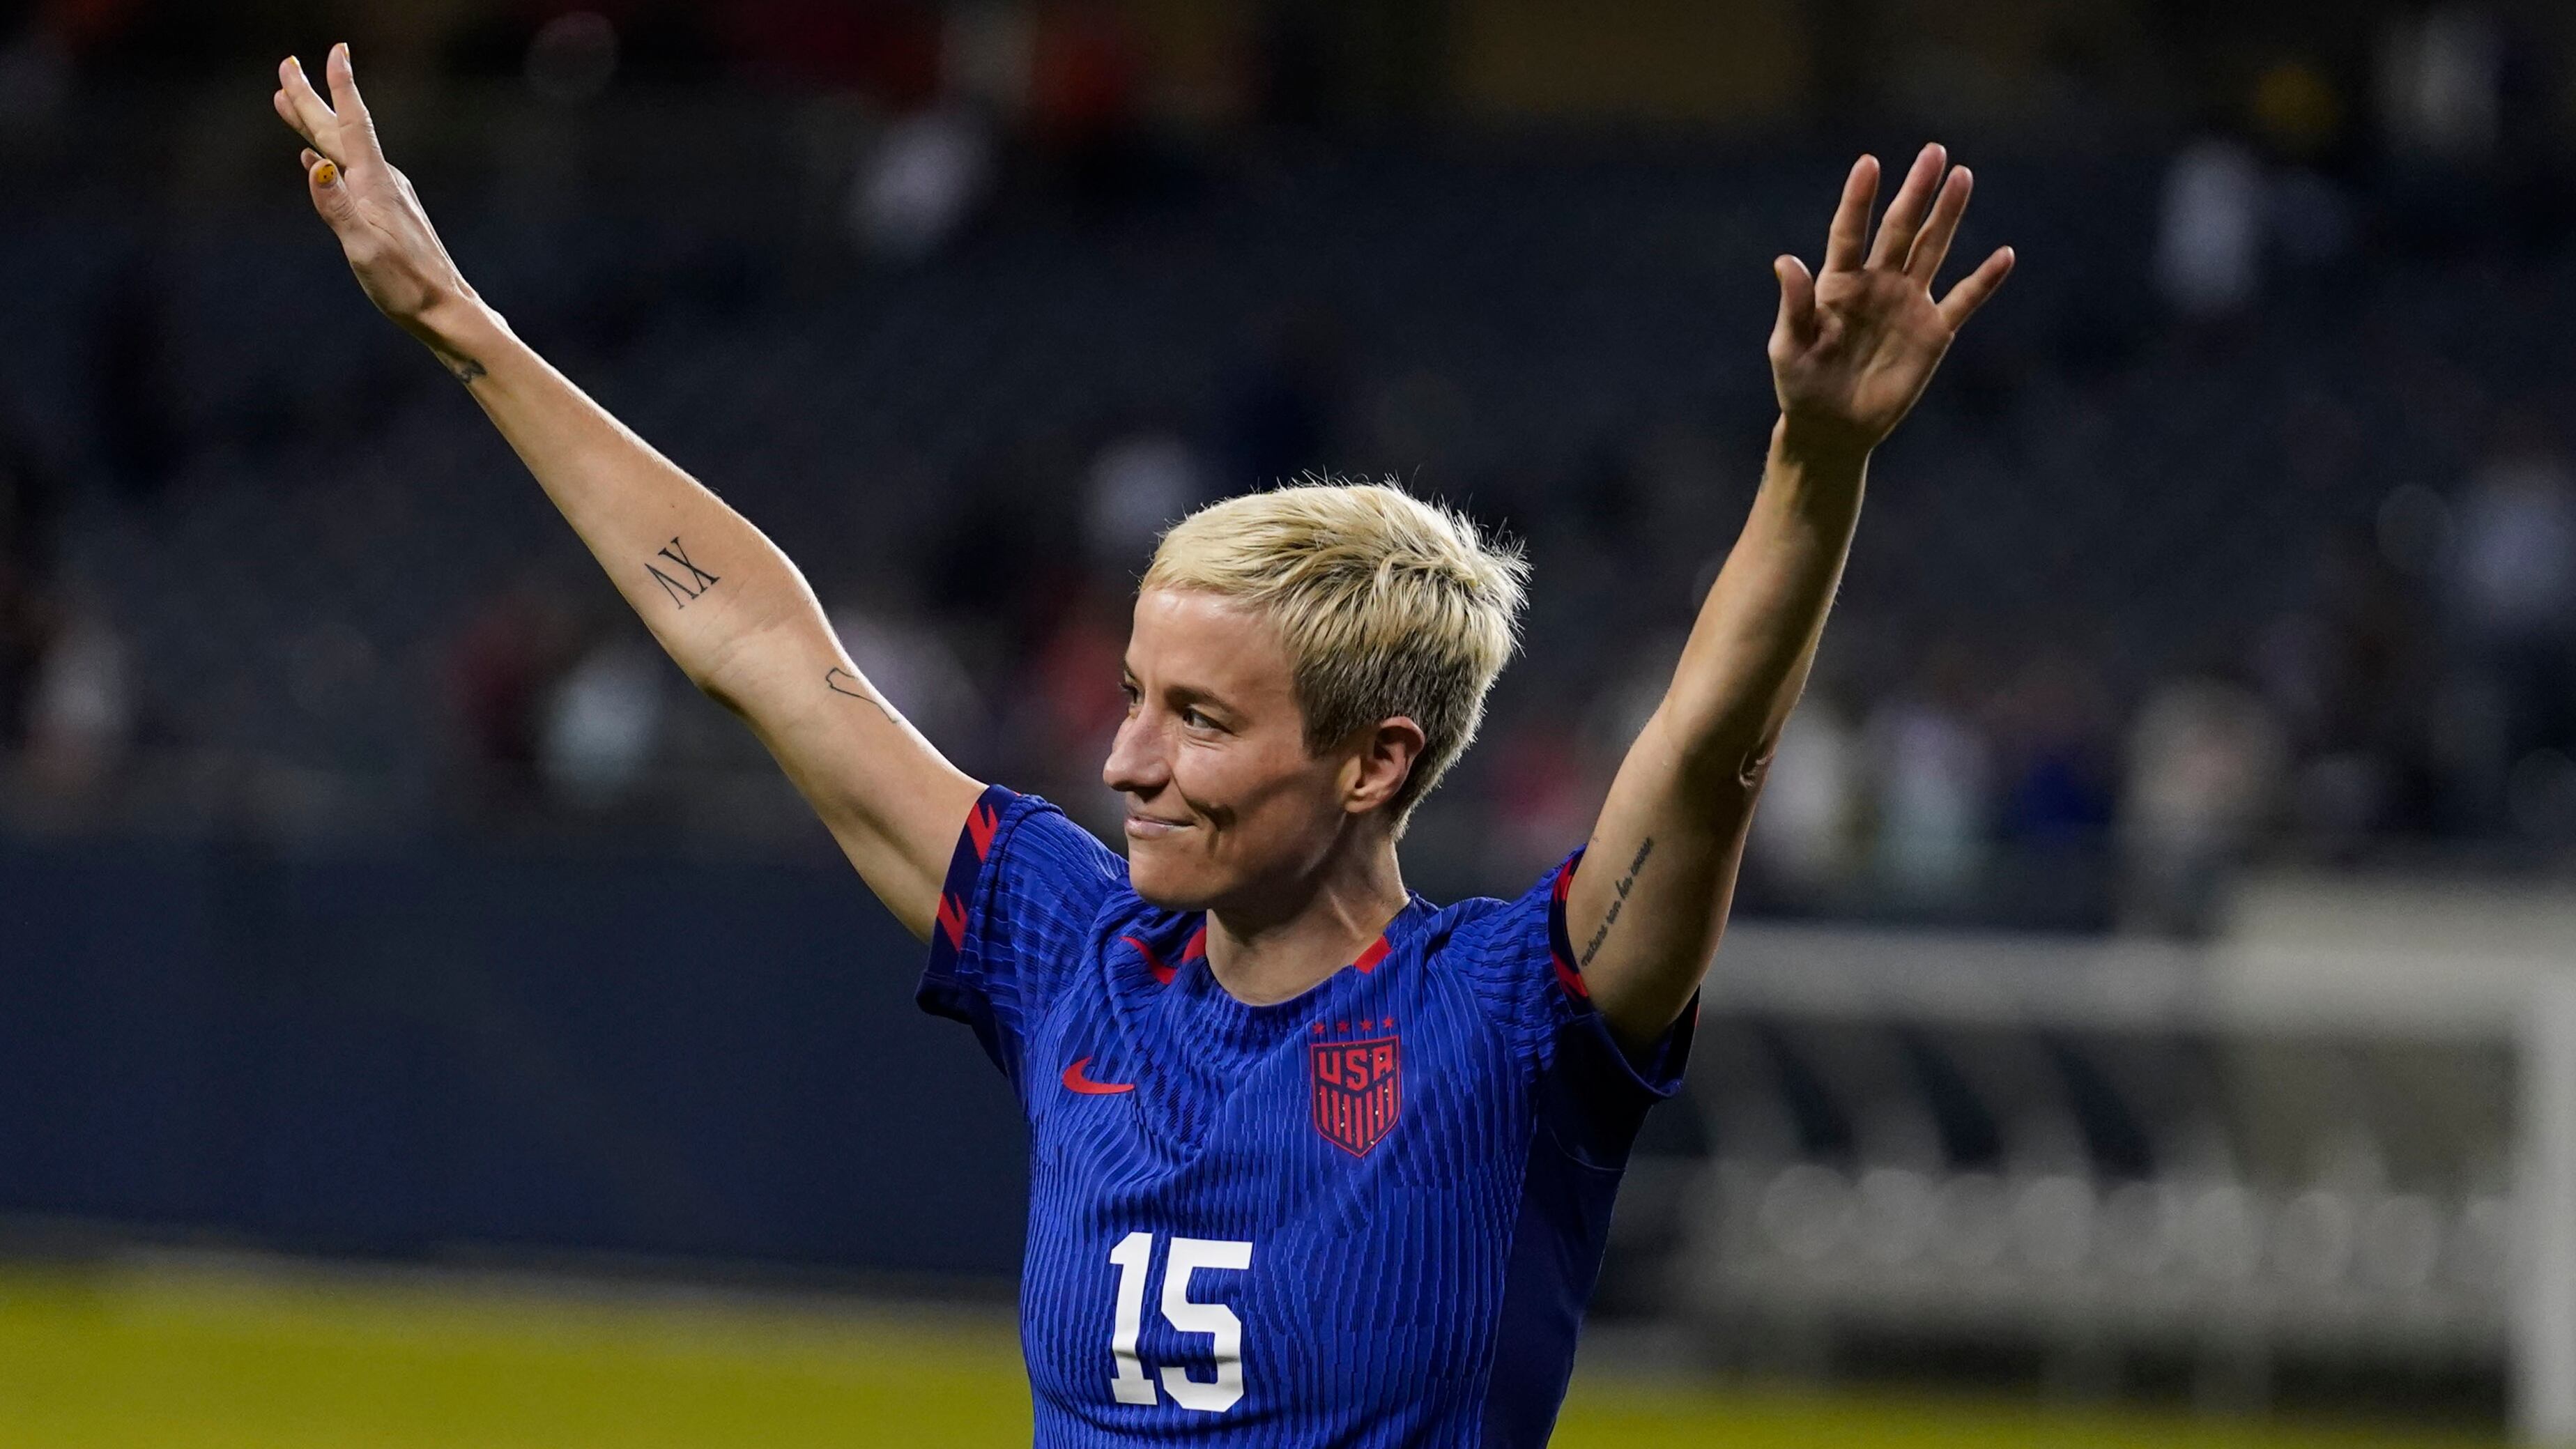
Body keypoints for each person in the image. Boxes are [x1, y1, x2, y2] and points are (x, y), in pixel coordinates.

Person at [274, 45, 2009, 1447]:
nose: (1125, 761)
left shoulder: (1514, 1025)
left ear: (1375, 762)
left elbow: (1706, 751)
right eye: (1131, 695)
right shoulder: (1073, 955)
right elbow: (767, 651)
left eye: (1199, 718)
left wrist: (1816, 461)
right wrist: (460, 325)